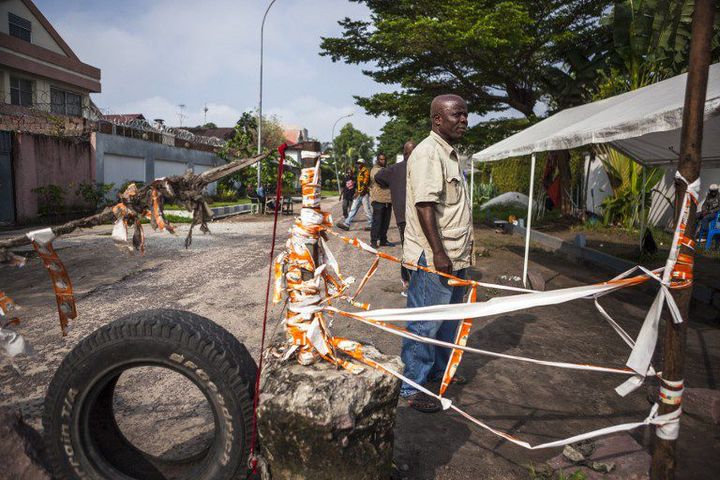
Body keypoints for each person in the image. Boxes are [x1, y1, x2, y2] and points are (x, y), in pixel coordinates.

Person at [400, 94, 472, 413]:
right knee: (425, 326)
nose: (464, 120)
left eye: (466, 115)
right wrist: (439, 253)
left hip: (455, 255)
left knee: (447, 323)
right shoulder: (429, 153)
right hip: (436, 258)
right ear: (437, 120)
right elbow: (424, 205)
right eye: (457, 115)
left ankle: (438, 376)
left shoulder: (449, 154)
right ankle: (411, 389)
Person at [375, 141, 416, 293]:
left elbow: (379, 177)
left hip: (403, 217)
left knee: (408, 249)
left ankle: (407, 281)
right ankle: (410, 282)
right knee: (416, 250)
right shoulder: (421, 168)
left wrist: (390, 185)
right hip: (417, 216)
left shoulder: (393, 170)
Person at [336, 159, 372, 230]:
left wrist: (359, 192)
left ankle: (371, 225)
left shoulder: (366, 171)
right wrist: (357, 192)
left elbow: (365, 183)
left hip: (364, 194)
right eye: (358, 163)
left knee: (367, 210)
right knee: (353, 209)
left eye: (360, 163)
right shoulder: (359, 172)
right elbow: (358, 185)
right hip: (359, 194)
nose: (358, 165)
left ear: (363, 164)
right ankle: (346, 224)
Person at [369, 153, 395, 248]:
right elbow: (382, 180)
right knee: (377, 222)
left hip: (388, 200)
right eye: (381, 159)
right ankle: (374, 241)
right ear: (377, 160)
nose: (383, 161)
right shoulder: (374, 170)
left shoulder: (386, 169)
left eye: (384, 159)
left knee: (386, 222)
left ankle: (383, 240)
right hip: (378, 200)